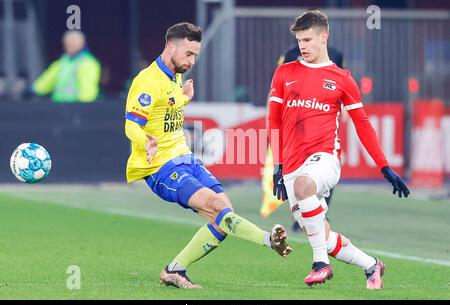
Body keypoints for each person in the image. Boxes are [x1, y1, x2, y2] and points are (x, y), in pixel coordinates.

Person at [124, 22, 292, 289]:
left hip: (186, 158)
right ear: (171, 47)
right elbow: (131, 124)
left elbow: (165, 107)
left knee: (224, 216)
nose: (192, 61)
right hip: (159, 167)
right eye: (188, 54)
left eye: (195, 55)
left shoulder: (174, 75)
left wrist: (183, 99)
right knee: (216, 207)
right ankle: (267, 239)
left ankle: (174, 270)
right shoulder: (147, 81)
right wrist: (144, 139)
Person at [267, 10, 410, 289]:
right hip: (292, 166)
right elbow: (273, 119)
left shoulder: (342, 78)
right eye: (299, 41)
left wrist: (384, 166)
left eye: (307, 40)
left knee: (307, 187)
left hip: (325, 159)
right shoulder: (284, 73)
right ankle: (372, 266)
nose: (302, 46)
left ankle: (320, 265)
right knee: (322, 235)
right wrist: (278, 166)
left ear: (324, 37)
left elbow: (362, 124)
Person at [260, 44, 344, 230]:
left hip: (321, 122)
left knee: (321, 169)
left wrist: (341, 110)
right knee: (297, 172)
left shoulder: (335, 54)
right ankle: (307, 215)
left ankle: (319, 214)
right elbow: (276, 86)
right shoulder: (290, 54)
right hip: (294, 123)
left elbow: (339, 86)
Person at [32, 30, 101, 103]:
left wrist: (83, 104)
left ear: (82, 44)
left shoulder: (88, 63)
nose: (70, 45)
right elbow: (47, 80)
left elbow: (88, 88)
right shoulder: (62, 62)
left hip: (76, 106)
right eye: (67, 43)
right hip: (58, 104)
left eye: (73, 43)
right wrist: (33, 90)